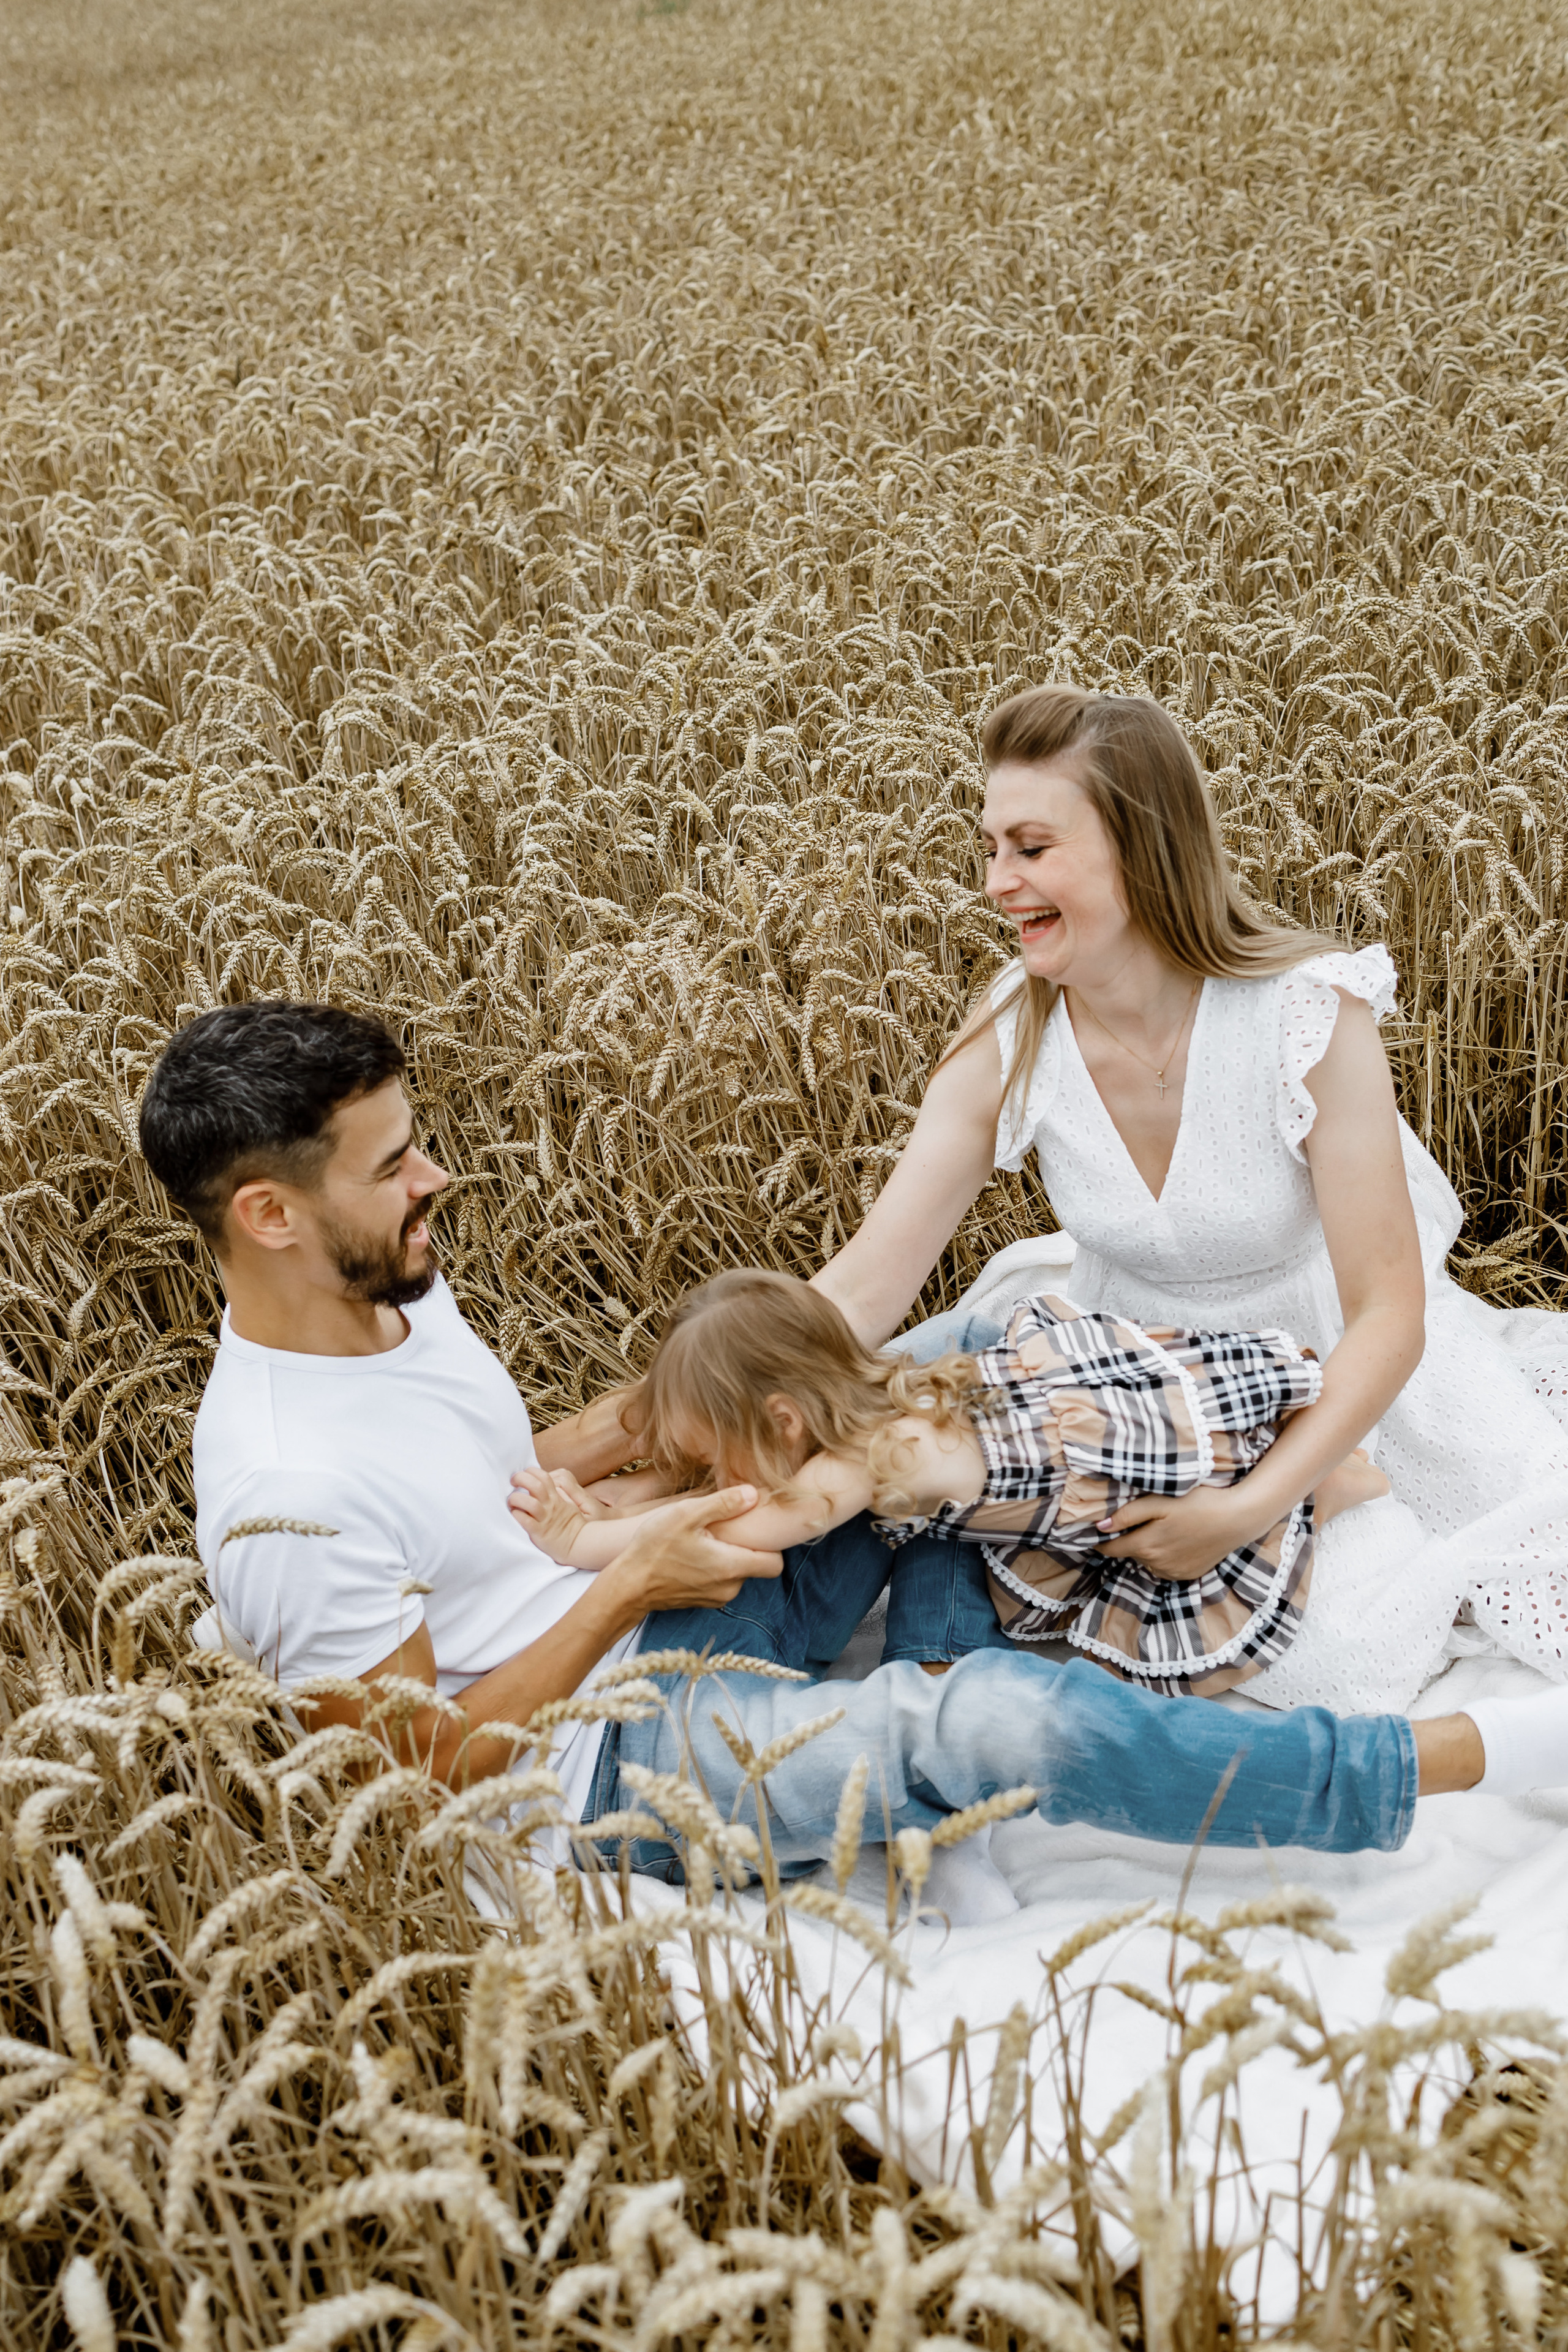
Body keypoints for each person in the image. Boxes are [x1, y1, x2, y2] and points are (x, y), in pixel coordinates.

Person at [133, 998, 1568, 1917]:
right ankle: (1437, 1758)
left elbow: (506, 1457)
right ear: (269, 1215)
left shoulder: (385, 1286)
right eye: (392, 1166)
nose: (433, 1177)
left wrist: (671, 1440)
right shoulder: (284, 1493)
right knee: (994, 1728)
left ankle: (1240, 1461)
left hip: (685, 1598)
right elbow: (433, 1775)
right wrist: (623, 1583)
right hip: (612, 1762)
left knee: (942, 1361)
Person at [805, 684, 1568, 1716]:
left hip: (1329, 1386)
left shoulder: (1303, 1014)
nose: (996, 882)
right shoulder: (1012, 1033)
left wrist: (1254, 1502)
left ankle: (1353, 1506)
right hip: (1136, 1398)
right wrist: (671, 1408)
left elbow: (1391, 1311)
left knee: (1344, 1669)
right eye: (990, 847)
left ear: (1138, 842)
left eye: (1031, 847)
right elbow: (863, 1277)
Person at [512, 1268, 1390, 1697]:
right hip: (1073, 1438)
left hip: (1107, 1486)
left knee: (1161, 1544)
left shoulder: (866, 1462)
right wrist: (634, 1491)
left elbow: (746, 1525)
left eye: (720, 1455)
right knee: (942, 1532)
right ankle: (1307, 1472)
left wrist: (582, 1541)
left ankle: (1316, 1487)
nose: (719, 1478)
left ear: (783, 1422)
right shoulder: (879, 1392)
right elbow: (735, 1485)